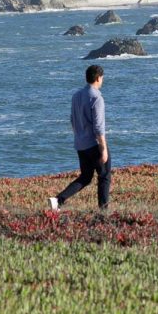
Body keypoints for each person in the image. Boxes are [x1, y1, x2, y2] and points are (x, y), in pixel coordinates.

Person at [50, 64, 111, 210]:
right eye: (102, 78)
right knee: (104, 176)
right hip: (94, 144)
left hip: (80, 144)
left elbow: (72, 120)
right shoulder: (97, 98)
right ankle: (103, 211)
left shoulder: (76, 96)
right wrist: (103, 149)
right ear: (98, 78)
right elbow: (98, 127)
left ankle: (58, 200)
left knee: (86, 177)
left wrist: (79, 136)